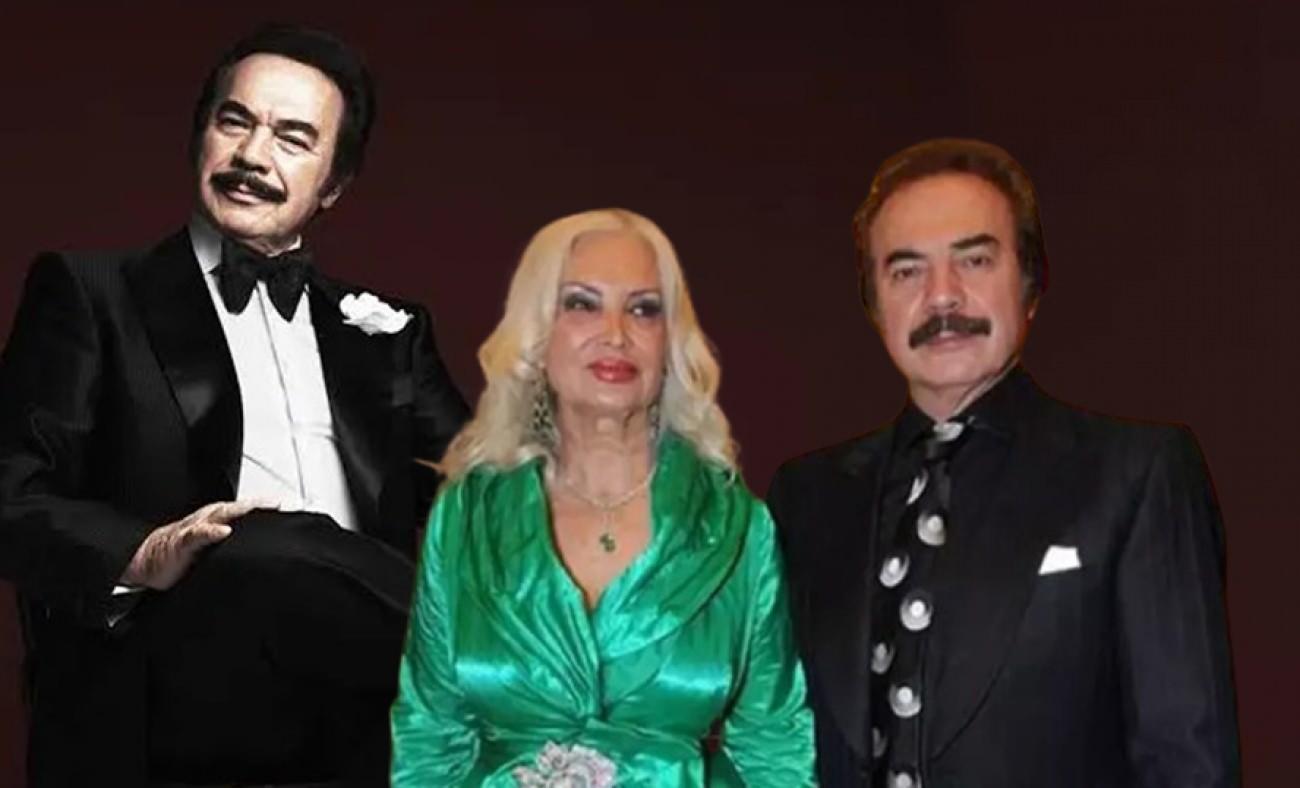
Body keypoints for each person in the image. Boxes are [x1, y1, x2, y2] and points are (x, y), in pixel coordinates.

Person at [0, 24, 469, 787]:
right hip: (173, 691)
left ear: (334, 183)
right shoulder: (90, 294)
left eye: (292, 138)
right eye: (235, 121)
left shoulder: (387, 332)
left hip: (360, 712)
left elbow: (482, 496)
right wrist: (146, 550)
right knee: (258, 541)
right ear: (201, 136)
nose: (253, 155)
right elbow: (9, 494)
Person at [768, 138, 1240, 787]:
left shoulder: (1138, 474)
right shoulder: (806, 498)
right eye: (906, 272)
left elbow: (1188, 763)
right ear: (874, 305)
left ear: (1030, 284)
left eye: (975, 260)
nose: (942, 298)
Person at [390, 208, 815, 786]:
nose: (615, 333)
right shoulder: (468, 516)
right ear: (538, 335)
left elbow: (775, 745)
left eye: (643, 309)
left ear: (669, 342)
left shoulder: (737, 528)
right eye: (582, 304)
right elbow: (430, 733)